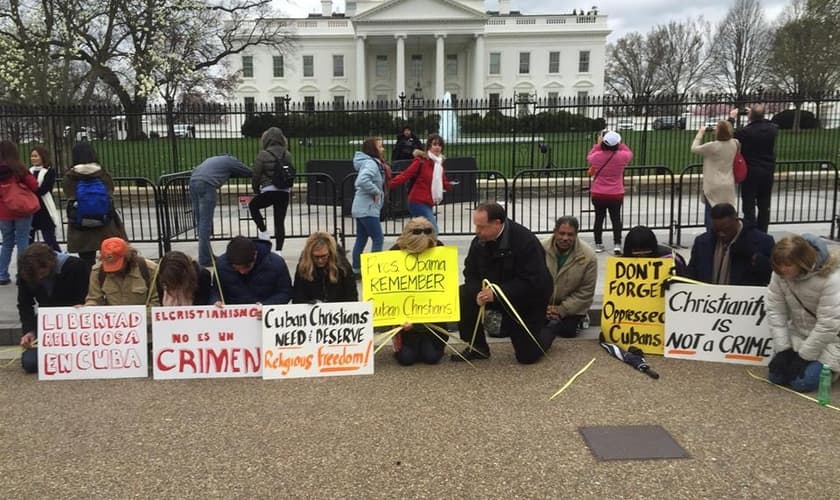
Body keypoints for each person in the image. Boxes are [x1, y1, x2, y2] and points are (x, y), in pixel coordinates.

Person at [453, 202, 554, 364]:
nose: (477, 231)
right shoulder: (479, 242)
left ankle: (550, 327)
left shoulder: (525, 241)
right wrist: (478, 292)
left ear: (497, 223)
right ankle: (476, 347)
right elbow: (469, 273)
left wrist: (498, 293)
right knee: (463, 294)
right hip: (493, 294)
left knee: (527, 356)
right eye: (476, 226)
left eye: (481, 227)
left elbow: (533, 282)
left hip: (526, 300)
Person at [766, 234, 840, 392]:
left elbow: (828, 325)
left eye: (787, 265)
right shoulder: (779, 275)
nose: (782, 269)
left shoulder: (832, 278)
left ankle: (832, 368)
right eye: (778, 265)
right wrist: (783, 350)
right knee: (776, 376)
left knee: (802, 383)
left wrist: (804, 357)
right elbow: (775, 311)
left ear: (802, 261)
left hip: (831, 339)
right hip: (799, 334)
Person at [17, 243, 90, 373]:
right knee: (30, 363)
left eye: (41, 273)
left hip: (77, 324)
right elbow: (25, 304)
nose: (39, 278)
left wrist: (84, 307)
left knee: (85, 358)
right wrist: (30, 331)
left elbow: (89, 297)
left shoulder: (76, 266)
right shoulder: (26, 273)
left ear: (50, 263)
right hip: (47, 325)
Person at [389, 217, 449, 366]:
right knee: (406, 359)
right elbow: (389, 294)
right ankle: (411, 345)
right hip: (406, 322)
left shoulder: (439, 249)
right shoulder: (394, 253)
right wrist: (399, 320)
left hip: (433, 319)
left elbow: (445, 287)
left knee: (432, 357)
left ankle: (427, 343)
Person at [62, 142, 126, 268]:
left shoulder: (70, 176)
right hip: (105, 221)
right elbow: (110, 191)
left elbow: (69, 194)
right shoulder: (102, 173)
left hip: (81, 224)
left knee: (86, 260)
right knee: (110, 256)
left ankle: (90, 283)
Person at [685, 203, 774, 286]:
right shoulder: (702, 242)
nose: (721, 234)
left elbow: (771, 277)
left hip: (741, 300)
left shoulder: (763, 242)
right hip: (706, 299)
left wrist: (754, 257)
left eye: (726, 229)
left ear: (736, 220)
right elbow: (691, 274)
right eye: (717, 230)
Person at [189, 154, 253, 267]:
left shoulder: (211, 159)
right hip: (207, 184)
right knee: (205, 224)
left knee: (200, 223)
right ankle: (204, 258)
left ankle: (207, 255)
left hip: (193, 182)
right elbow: (247, 172)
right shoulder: (231, 161)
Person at [541, 216, 597, 339]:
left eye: (570, 234)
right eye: (561, 233)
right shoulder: (540, 248)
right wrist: (541, 306)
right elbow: (531, 281)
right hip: (544, 302)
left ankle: (580, 318)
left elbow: (586, 292)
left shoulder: (589, 256)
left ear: (576, 235)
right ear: (554, 232)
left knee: (567, 332)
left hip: (570, 305)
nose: (565, 238)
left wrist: (561, 310)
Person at [389, 133, 454, 235]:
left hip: (428, 202)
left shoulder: (438, 164)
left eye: (440, 145)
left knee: (422, 232)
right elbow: (406, 175)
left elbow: (443, 181)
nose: (437, 147)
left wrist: (450, 185)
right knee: (433, 230)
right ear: (429, 146)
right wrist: (389, 185)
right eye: (434, 144)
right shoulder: (421, 161)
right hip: (417, 201)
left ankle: (414, 246)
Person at [729, 104, 779, 233]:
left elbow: (729, 133)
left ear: (750, 115)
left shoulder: (747, 132)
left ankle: (750, 230)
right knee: (764, 204)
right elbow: (769, 123)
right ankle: (763, 231)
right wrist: (756, 114)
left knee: (749, 204)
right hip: (767, 170)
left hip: (751, 170)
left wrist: (732, 118)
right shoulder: (773, 129)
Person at [587, 130, 633, 255]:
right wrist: (620, 143)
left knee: (599, 218)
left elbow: (590, 156)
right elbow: (629, 152)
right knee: (616, 219)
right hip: (616, 193)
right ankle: (617, 244)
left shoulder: (597, 157)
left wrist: (598, 144)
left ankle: (598, 243)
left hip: (598, 192)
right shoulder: (622, 156)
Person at [249, 127, 294, 253]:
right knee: (279, 222)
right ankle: (279, 251)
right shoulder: (287, 154)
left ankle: (263, 231)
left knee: (253, 206)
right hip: (284, 191)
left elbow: (256, 174)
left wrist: (256, 188)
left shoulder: (263, 154)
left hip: (269, 189)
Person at [0, 140, 39, 285]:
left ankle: (2, 274)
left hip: (3, 212)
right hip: (22, 210)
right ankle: (22, 274)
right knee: (23, 241)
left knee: (7, 243)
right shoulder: (18, 169)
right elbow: (34, 185)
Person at [214, 236, 292, 305]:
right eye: (236, 268)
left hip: (266, 314)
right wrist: (215, 300)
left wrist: (267, 306)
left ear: (255, 255)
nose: (242, 272)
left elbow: (285, 292)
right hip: (234, 316)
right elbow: (215, 290)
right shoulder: (221, 265)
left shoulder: (276, 264)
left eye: (247, 267)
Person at [85, 237, 160, 307]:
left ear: (127, 258)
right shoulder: (97, 272)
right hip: (112, 318)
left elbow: (156, 301)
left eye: (116, 263)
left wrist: (140, 316)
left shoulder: (149, 269)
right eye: (109, 264)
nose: (114, 270)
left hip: (143, 318)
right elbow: (94, 299)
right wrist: (85, 310)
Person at [691, 121, 738, 231]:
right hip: (728, 182)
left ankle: (711, 235)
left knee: (711, 212)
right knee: (728, 211)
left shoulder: (712, 146)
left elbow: (694, 148)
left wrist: (700, 133)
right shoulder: (735, 143)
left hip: (713, 184)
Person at [351, 137, 387, 276]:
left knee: (361, 238)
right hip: (368, 208)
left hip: (361, 207)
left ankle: (356, 269)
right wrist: (376, 191)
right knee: (378, 239)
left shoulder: (367, 162)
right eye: (380, 146)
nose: (383, 149)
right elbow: (361, 180)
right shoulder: (371, 164)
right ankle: (373, 271)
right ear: (373, 149)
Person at [292, 231, 357, 304]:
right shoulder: (303, 267)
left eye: (323, 256)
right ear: (310, 255)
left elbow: (352, 296)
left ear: (330, 253)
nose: (320, 260)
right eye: (316, 257)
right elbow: (298, 297)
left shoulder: (343, 266)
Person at [28, 145, 61, 251]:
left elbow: (44, 189)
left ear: (43, 157)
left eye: (36, 156)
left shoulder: (49, 171)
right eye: (32, 156)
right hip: (31, 208)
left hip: (44, 208)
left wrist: (30, 190)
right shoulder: (29, 171)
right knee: (29, 240)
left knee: (50, 239)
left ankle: (58, 259)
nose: (33, 158)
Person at [622, 225, 687, 276]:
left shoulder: (671, 260)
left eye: (645, 251)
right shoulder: (619, 264)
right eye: (636, 252)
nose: (642, 255)